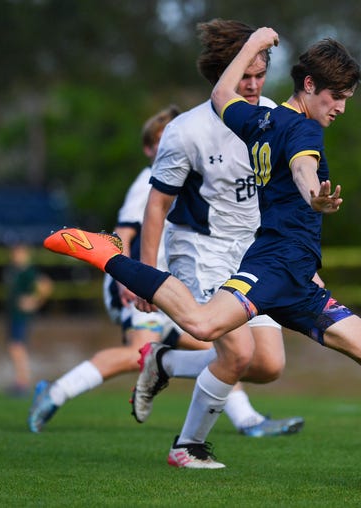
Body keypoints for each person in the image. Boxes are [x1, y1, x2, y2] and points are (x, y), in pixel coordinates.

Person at [43, 27, 361, 481]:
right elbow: (302, 166)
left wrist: (255, 43)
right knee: (200, 323)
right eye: (336, 96)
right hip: (272, 266)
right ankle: (107, 254)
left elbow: (221, 92)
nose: (341, 108)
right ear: (310, 86)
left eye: (347, 99)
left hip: (298, 279)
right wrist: (313, 194)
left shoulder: (261, 120)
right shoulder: (302, 130)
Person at [29, 105, 301, 437]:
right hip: (140, 280)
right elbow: (124, 232)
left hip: (176, 282)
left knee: (223, 349)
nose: (167, 144)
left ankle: (246, 419)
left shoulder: (196, 170)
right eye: (159, 140)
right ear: (148, 148)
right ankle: (55, 392)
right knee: (138, 354)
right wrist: (127, 280)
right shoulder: (148, 181)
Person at [131, 19, 303, 443]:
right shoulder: (187, 131)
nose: (252, 84)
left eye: (260, 75)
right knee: (238, 353)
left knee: (268, 365)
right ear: (221, 75)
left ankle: (164, 363)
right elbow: (157, 205)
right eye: (243, 75)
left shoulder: (272, 122)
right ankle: (188, 446)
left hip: (253, 253)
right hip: (200, 249)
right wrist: (146, 273)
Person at [3, 240, 53, 397]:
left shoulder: (29, 271)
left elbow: (46, 285)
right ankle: (20, 381)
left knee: (17, 347)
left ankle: (22, 382)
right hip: (13, 314)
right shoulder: (14, 269)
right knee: (14, 347)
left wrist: (35, 301)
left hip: (21, 316)